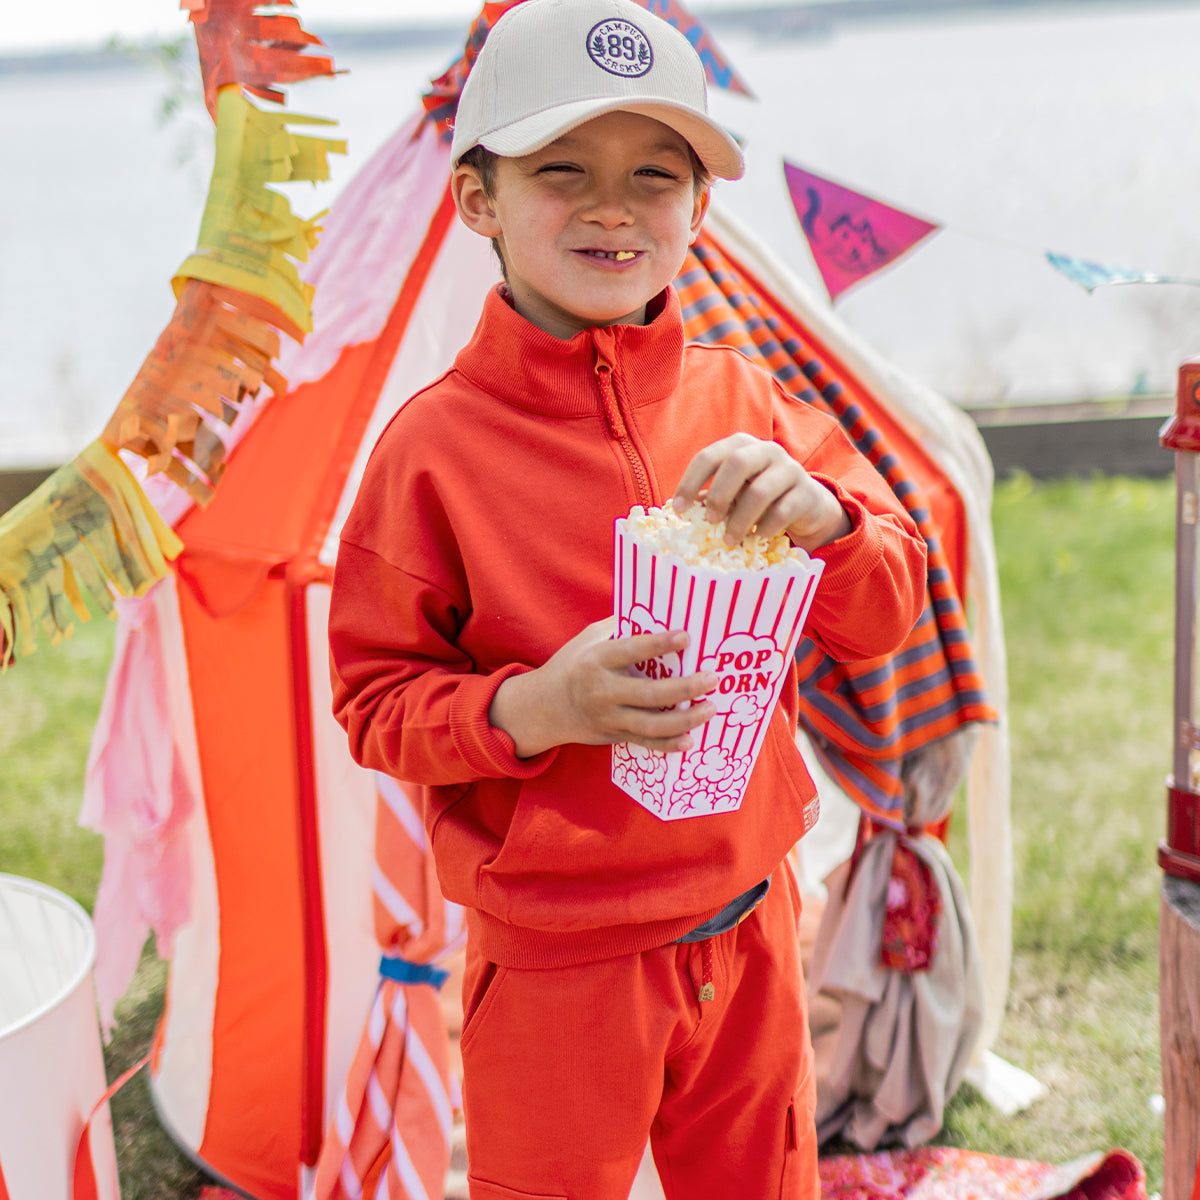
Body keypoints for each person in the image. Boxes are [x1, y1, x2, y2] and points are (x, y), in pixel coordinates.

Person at [328, 1, 927, 1196]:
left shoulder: (751, 404)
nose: (612, 206)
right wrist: (533, 708)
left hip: (751, 928)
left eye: (655, 176)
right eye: (563, 171)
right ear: (478, 201)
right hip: (557, 965)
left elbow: (888, 607)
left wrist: (828, 521)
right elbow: (373, 707)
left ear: (699, 211)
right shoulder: (431, 455)